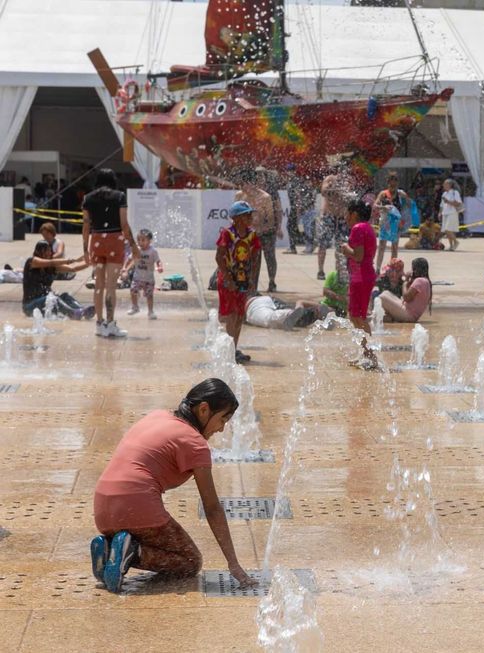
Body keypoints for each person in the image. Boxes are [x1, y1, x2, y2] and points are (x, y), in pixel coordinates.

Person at [91, 379, 259, 593]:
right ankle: (132, 551)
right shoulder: (195, 443)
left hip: (103, 507)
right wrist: (233, 564)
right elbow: (212, 507)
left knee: (147, 536)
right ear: (204, 409)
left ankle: (108, 547)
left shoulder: (158, 416)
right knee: (189, 561)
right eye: (222, 419)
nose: (222, 429)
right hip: (136, 506)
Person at [82, 168, 139, 338]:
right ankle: (111, 323)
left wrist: (85, 250)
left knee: (98, 285)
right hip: (114, 241)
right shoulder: (119, 196)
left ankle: (99, 324)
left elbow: (86, 226)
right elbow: (124, 224)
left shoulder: (88, 198)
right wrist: (134, 246)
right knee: (111, 286)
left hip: (97, 240)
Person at [215, 201, 262, 364]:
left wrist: (252, 280)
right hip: (228, 280)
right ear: (237, 218)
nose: (250, 217)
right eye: (247, 215)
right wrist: (228, 278)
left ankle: (233, 349)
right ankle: (230, 351)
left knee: (240, 315)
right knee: (231, 315)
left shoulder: (252, 235)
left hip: (243, 279)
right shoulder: (227, 234)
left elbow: (255, 257)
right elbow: (219, 257)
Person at [342, 200, 378, 365]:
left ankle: (370, 355)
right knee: (357, 316)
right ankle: (366, 353)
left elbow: (358, 256)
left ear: (354, 214)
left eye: (347, 214)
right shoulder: (367, 227)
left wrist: (345, 249)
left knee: (357, 316)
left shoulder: (357, 229)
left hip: (361, 277)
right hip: (364, 276)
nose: (346, 218)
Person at [22, 241, 92, 318]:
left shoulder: (51, 267)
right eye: (47, 250)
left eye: (50, 250)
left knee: (65, 296)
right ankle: (73, 313)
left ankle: (82, 311)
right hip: (30, 306)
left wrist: (90, 262)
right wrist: (73, 260)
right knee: (53, 299)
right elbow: (51, 262)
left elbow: (73, 268)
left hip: (46, 302)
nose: (50, 253)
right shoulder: (32, 262)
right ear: (40, 251)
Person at [235, 169, 279, 292]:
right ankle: (249, 284)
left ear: (252, 184)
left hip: (265, 232)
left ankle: (271, 281)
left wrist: (261, 229)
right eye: (240, 184)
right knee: (248, 259)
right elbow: (233, 215)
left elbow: (270, 219)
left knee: (269, 257)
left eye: (243, 184)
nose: (241, 187)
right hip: (248, 233)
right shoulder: (239, 195)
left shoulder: (265, 197)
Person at [373, 172, 411, 271]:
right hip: (385, 223)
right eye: (391, 184)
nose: (393, 186)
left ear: (397, 184)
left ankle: (392, 269)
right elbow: (375, 205)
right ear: (388, 183)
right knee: (382, 246)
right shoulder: (383, 194)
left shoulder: (400, 194)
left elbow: (410, 205)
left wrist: (406, 198)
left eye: (395, 184)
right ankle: (377, 269)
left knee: (394, 248)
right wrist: (383, 207)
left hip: (396, 224)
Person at [379, 257, 432, 323]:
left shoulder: (419, 281)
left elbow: (406, 297)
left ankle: (389, 317)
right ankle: (389, 317)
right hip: (410, 312)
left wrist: (405, 281)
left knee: (382, 297)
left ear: (416, 269)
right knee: (386, 293)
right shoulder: (426, 281)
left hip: (409, 315)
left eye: (413, 268)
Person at [315, 174, 348, 281]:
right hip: (328, 216)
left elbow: (348, 196)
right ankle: (320, 270)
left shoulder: (346, 180)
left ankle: (339, 270)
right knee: (322, 245)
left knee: (341, 245)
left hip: (341, 217)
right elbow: (324, 192)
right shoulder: (329, 179)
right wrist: (333, 186)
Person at [125, 229, 163, 319]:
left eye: (143, 240)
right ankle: (135, 307)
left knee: (149, 296)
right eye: (138, 240)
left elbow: (158, 261)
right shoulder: (137, 249)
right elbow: (129, 259)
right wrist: (124, 268)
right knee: (133, 291)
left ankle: (150, 311)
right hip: (137, 277)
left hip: (149, 279)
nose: (140, 242)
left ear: (149, 241)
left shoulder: (153, 251)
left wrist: (160, 267)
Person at [244, 294, 318, 330]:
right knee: (270, 319)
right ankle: (300, 307)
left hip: (256, 304)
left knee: (270, 319)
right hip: (259, 303)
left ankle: (299, 309)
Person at [438, 178, 462, 251]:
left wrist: (448, 201)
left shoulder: (455, 192)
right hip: (445, 213)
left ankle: (456, 241)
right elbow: (442, 205)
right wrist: (440, 213)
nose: (443, 185)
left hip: (452, 212)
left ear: (449, 185)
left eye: (445, 184)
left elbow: (458, 203)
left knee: (448, 229)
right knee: (446, 231)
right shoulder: (444, 193)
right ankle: (451, 245)